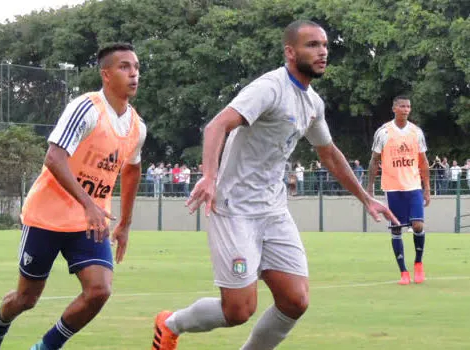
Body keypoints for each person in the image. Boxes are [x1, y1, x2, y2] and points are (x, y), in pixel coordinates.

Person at [151, 20, 397, 350]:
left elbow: (329, 154)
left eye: (325, 45)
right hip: (235, 211)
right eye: (312, 45)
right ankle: (170, 324)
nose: (322, 51)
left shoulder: (313, 103)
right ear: (290, 52)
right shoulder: (270, 88)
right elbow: (216, 126)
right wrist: (209, 177)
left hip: (274, 211)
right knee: (238, 310)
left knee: (295, 301)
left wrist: (366, 198)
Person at [0, 43, 146, 350]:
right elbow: (54, 158)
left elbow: (132, 170)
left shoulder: (137, 126)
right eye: (124, 67)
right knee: (26, 298)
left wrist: (125, 223)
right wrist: (89, 204)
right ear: (106, 75)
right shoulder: (86, 109)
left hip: (87, 223)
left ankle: (45, 347)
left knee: (99, 290)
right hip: (47, 217)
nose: (133, 73)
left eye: (136, 67)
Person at [367, 96, 429, 285]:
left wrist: (427, 188)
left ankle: (418, 264)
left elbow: (423, 162)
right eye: (402, 106)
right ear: (394, 108)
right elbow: (374, 160)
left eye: (408, 106)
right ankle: (403, 272)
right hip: (392, 187)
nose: (406, 109)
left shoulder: (416, 132)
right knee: (396, 228)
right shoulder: (383, 132)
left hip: (413, 186)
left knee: (418, 225)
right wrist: (369, 188)